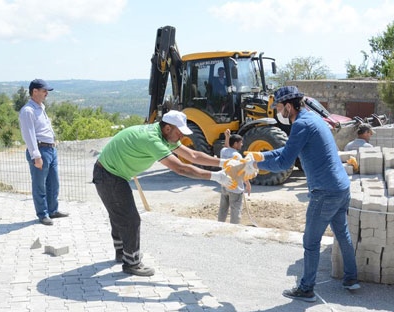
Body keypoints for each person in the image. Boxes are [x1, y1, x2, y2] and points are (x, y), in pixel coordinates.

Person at [245, 86, 360, 302]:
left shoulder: (300, 124)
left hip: (324, 191)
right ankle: (351, 279)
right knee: (341, 233)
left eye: (279, 107)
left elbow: (284, 162)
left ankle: (306, 288)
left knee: (311, 241)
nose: (278, 112)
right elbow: (287, 150)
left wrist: (256, 164)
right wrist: (260, 156)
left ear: (288, 106)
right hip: (341, 187)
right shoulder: (313, 120)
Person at [93, 110, 238, 276]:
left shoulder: (164, 134)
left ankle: (122, 253)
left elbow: (193, 155)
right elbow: (180, 168)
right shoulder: (152, 139)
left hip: (112, 173)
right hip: (107, 175)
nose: (182, 137)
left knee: (119, 213)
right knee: (130, 218)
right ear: (168, 128)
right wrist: (215, 176)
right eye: (180, 133)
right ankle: (131, 263)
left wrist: (224, 162)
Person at [19, 79, 69, 226]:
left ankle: (53, 210)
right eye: (44, 91)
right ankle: (42, 214)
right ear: (35, 91)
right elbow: (29, 135)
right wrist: (36, 156)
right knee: (39, 185)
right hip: (40, 150)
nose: (46, 94)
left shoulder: (41, 107)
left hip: (50, 149)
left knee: (53, 183)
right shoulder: (28, 111)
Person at [218, 129, 251, 224]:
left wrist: (227, 137)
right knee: (235, 210)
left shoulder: (223, 151)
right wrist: (248, 184)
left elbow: (226, 147)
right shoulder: (238, 156)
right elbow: (242, 173)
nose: (241, 145)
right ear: (236, 143)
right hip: (235, 188)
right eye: (240, 143)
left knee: (223, 209)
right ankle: (234, 228)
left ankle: (219, 225)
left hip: (224, 185)